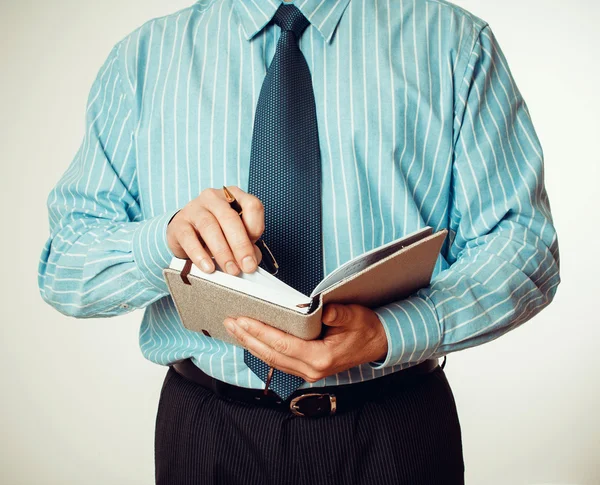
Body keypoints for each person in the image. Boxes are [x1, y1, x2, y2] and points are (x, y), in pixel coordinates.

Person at [38, 0, 561, 483]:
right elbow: (65, 266)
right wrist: (165, 239)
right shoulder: (143, 61)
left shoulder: (454, 44)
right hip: (208, 436)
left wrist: (391, 331)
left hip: (396, 431)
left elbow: (525, 244)